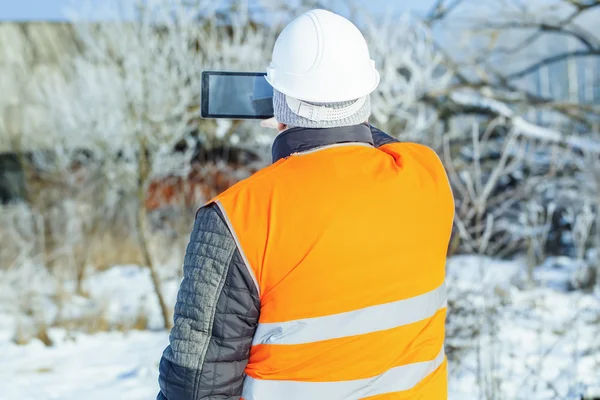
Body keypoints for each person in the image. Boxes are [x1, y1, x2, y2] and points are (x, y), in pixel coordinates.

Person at [157, 8, 454, 400]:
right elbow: (375, 142)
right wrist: (309, 119)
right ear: (367, 89)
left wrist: (290, 126)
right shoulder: (426, 175)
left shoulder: (239, 217)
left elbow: (196, 389)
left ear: (279, 100)